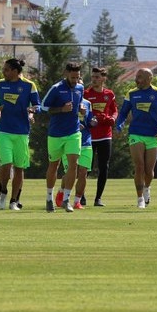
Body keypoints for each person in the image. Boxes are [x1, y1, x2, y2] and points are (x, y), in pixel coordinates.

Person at [115, 68, 157, 209]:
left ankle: (147, 188)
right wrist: (119, 125)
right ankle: (139, 198)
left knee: (149, 170)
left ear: (149, 78)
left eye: (139, 77)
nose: (136, 79)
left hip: (153, 135)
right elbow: (122, 113)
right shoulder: (131, 94)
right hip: (136, 133)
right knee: (139, 166)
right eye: (136, 76)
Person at [0, 58, 41, 211]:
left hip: (21, 132)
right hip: (3, 130)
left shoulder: (29, 85)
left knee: (19, 167)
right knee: (6, 164)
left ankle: (14, 200)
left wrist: (32, 112)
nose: (3, 72)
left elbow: (37, 105)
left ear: (14, 71)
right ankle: (3, 191)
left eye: (6, 69)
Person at [41, 62, 85, 213]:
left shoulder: (80, 88)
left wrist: (81, 110)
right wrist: (61, 109)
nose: (75, 80)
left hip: (73, 132)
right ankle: (48, 198)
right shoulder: (56, 88)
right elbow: (44, 107)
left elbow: (78, 106)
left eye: (77, 77)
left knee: (73, 165)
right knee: (54, 165)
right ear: (66, 73)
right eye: (73, 77)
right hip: (56, 134)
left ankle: (66, 199)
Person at [84, 66, 118, 207]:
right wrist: (93, 117)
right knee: (85, 167)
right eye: (93, 77)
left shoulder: (109, 94)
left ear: (104, 78)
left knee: (104, 167)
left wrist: (112, 118)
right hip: (89, 136)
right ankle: (81, 196)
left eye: (97, 77)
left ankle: (98, 198)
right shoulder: (86, 94)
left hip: (105, 136)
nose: (94, 79)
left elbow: (114, 110)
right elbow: (83, 112)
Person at [63, 97, 98, 209]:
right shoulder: (66, 101)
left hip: (86, 142)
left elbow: (89, 120)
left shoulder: (87, 103)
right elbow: (60, 120)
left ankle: (77, 201)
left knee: (83, 173)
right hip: (69, 141)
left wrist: (93, 122)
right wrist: (74, 126)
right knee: (69, 172)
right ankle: (62, 194)